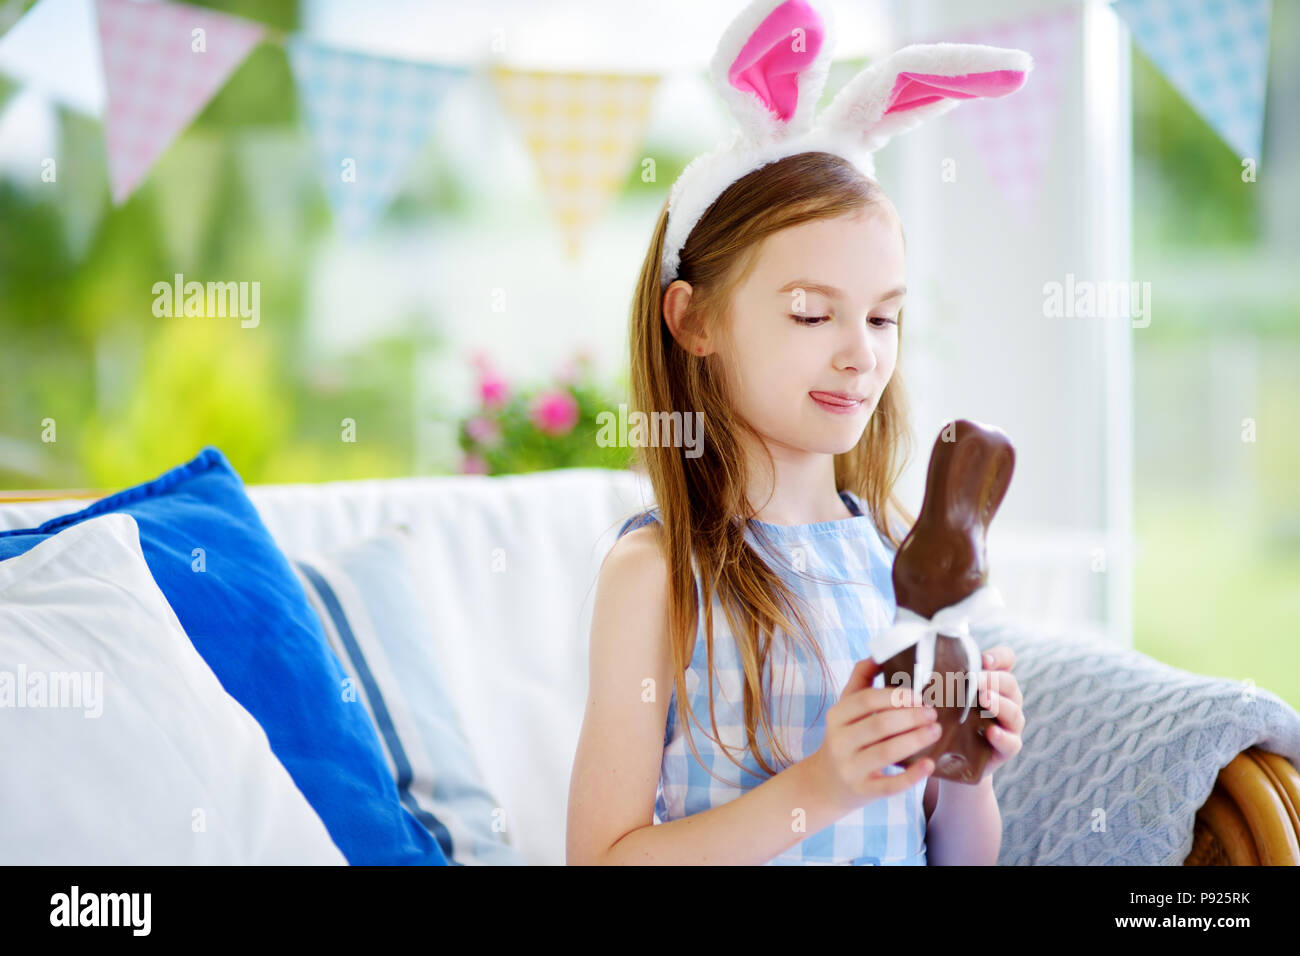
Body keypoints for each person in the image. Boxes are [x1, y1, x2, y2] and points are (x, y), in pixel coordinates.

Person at [566, 0, 1029, 866]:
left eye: (884, 319)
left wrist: (968, 773)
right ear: (694, 319)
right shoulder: (661, 576)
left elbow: (959, 857)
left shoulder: (896, 552)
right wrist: (821, 787)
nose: (860, 355)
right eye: (813, 314)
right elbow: (602, 859)